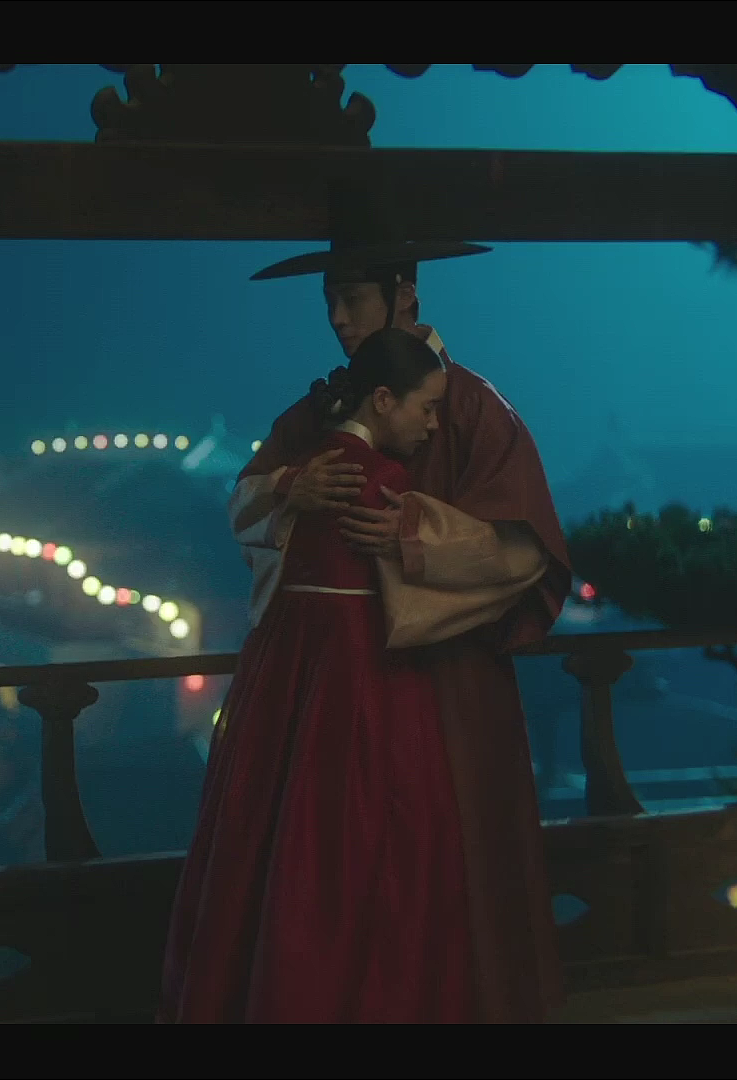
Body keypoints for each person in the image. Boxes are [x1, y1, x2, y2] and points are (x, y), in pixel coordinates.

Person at [167, 184, 575, 1024]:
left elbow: (527, 550)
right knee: (313, 856)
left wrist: (413, 532)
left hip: (443, 682)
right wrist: (292, 487)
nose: (338, 319)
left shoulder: (473, 408)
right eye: (331, 301)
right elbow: (245, 501)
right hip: (319, 685)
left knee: (432, 859)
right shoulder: (321, 409)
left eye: (353, 298)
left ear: (405, 296)